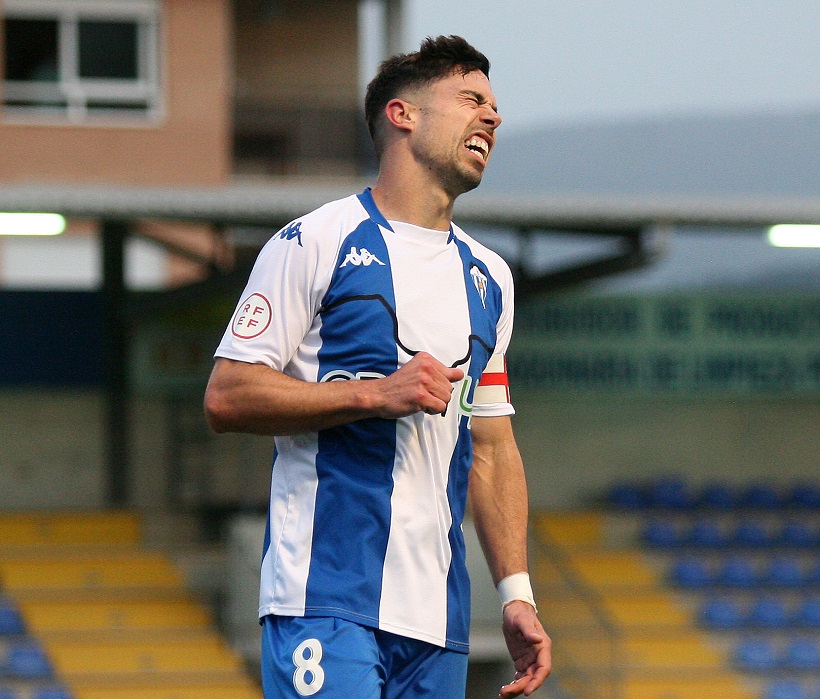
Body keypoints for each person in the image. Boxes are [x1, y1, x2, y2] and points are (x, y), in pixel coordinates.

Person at [204, 35, 551, 699]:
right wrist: (373, 395)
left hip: (439, 620)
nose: (493, 117)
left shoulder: (489, 279)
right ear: (403, 115)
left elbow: (493, 447)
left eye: (496, 106)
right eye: (471, 99)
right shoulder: (314, 242)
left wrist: (517, 592)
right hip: (325, 596)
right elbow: (227, 395)